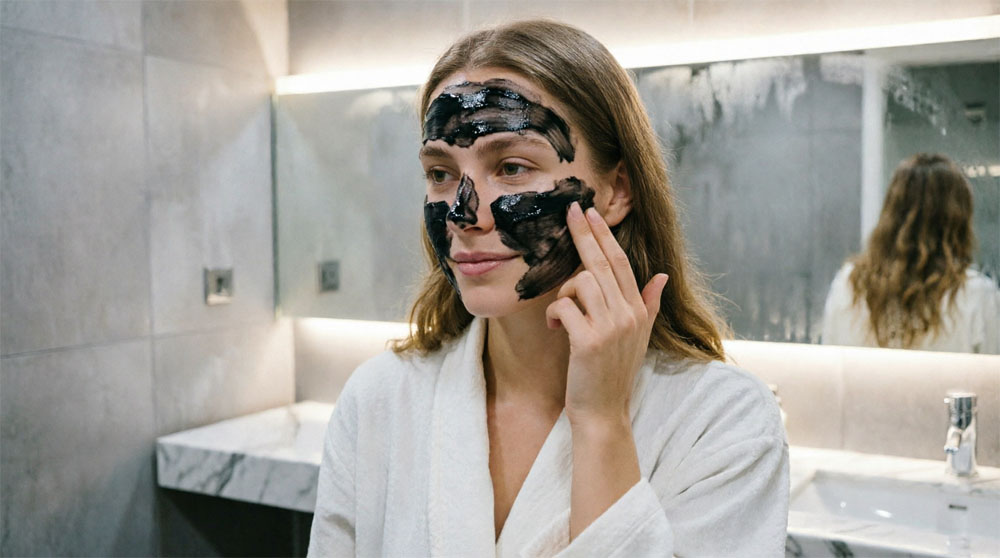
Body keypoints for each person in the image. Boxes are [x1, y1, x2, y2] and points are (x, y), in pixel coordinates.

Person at [308, 20, 788, 557]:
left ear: (616, 191)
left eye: (511, 167)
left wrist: (602, 422)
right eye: (440, 173)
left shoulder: (722, 421)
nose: (463, 213)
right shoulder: (379, 400)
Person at [822, 153, 1000, 354]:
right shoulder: (977, 295)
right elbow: (992, 371)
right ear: (959, 222)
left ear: (890, 214)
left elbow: (828, 365)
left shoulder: (849, 286)